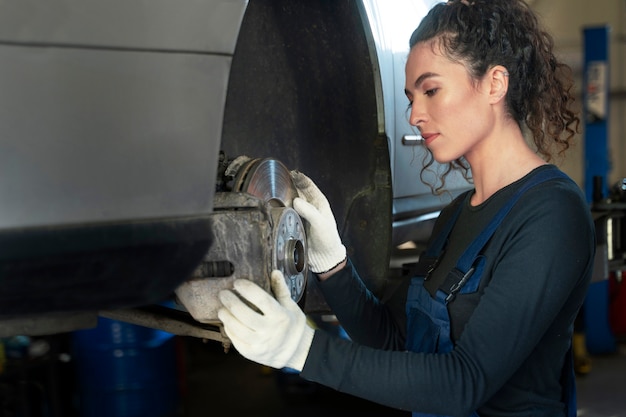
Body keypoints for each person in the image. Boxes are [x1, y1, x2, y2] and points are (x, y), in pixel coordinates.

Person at [217, 1, 596, 416]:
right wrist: (333, 265)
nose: (415, 114)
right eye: (411, 97)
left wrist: (302, 350)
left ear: (494, 84)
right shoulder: (455, 217)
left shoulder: (551, 213)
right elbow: (393, 341)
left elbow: (463, 384)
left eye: (431, 90)